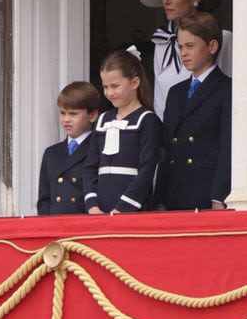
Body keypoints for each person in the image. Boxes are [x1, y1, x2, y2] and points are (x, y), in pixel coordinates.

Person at [140, 0, 232, 119]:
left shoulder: (224, 38)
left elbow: (231, 93)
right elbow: (160, 102)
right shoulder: (162, 43)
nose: (166, 0)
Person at [154, 12, 231, 211]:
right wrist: (159, 198)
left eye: (190, 46)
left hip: (205, 192)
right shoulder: (175, 92)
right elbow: (167, 150)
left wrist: (219, 196)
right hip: (175, 192)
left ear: (212, 46)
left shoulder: (226, 89)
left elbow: (227, 147)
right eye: (180, 47)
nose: (183, 53)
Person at [83, 46, 162, 214]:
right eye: (105, 87)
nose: (109, 93)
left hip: (133, 210)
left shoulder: (147, 120)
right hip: (100, 212)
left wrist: (122, 209)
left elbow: (146, 171)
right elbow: (91, 167)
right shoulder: (103, 119)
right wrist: (92, 205)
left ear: (135, 82)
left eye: (115, 86)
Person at [37, 81, 100, 215]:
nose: (66, 119)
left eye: (73, 114)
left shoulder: (99, 148)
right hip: (56, 227)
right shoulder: (51, 153)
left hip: (84, 226)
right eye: (63, 113)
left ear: (92, 115)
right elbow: (44, 200)